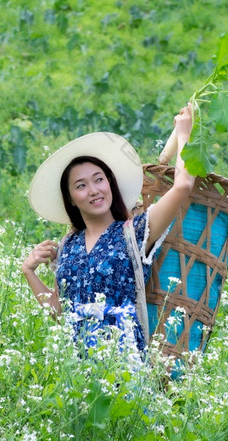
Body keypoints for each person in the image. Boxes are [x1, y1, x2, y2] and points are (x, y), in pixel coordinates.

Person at [22, 105, 195, 355]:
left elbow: (182, 186)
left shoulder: (134, 232)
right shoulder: (69, 245)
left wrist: (183, 134)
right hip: (77, 370)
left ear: (110, 183)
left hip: (124, 366)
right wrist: (29, 271)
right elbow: (60, 314)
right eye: (81, 185)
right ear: (70, 198)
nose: (93, 190)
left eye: (99, 179)